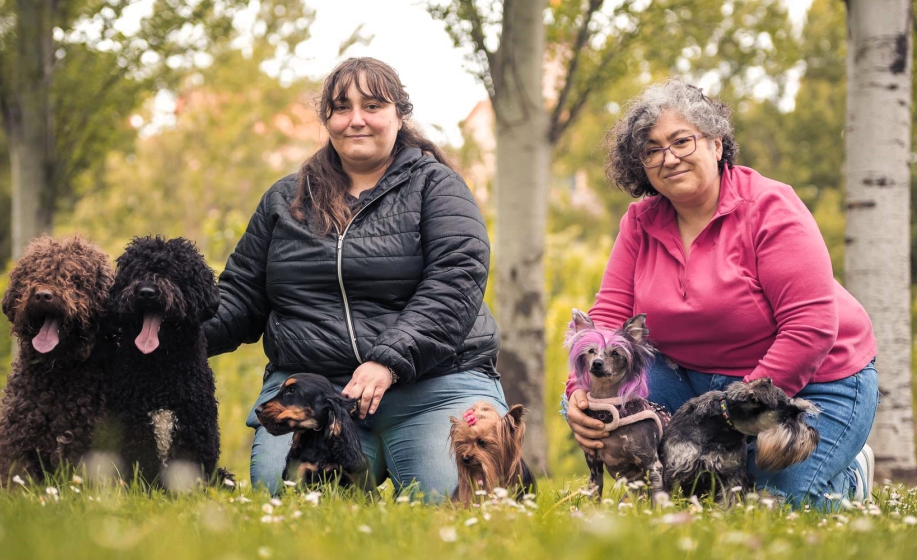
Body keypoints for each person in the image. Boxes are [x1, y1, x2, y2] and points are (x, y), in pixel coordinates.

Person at [563, 78, 878, 508]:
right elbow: (607, 319)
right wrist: (577, 393)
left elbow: (811, 327)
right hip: (695, 386)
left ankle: (848, 474)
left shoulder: (770, 207)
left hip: (813, 381)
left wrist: (737, 412)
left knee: (764, 508)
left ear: (715, 143)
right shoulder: (639, 222)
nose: (668, 158)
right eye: (651, 150)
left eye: (681, 141)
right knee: (683, 497)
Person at [202, 57, 505, 499]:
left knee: (454, 501)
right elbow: (239, 296)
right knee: (285, 499)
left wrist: (388, 361)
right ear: (327, 119)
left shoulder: (437, 187)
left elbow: (454, 284)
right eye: (341, 108)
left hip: (435, 385)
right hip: (315, 395)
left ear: (399, 116)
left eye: (373, 106)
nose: (356, 120)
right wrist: (169, 336)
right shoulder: (284, 200)